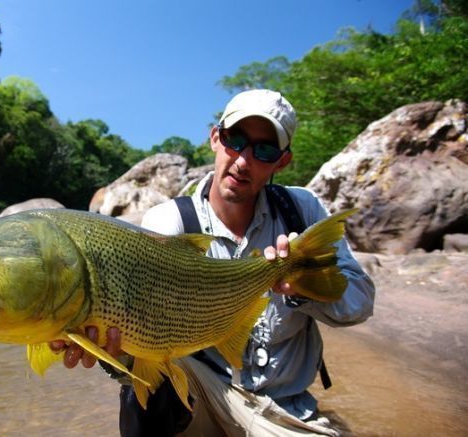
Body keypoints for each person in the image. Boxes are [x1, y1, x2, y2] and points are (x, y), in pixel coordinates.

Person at [52, 89, 375, 436]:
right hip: (206, 397)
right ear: (214, 138)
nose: (242, 160)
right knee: (143, 392)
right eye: (234, 139)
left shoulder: (302, 211)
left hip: (288, 409)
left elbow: (360, 303)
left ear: (281, 161)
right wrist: (108, 347)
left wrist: (301, 286)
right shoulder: (170, 222)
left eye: (263, 150)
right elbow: (143, 325)